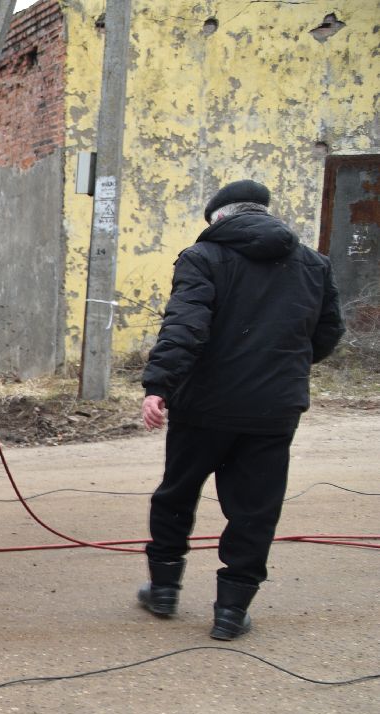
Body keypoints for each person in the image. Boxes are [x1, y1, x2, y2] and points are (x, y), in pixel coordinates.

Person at [137, 179, 344, 640]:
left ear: (218, 218)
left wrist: (158, 385)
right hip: (273, 411)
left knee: (177, 493)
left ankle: (164, 590)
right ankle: (231, 612)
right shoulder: (314, 264)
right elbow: (327, 333)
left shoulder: (202, 257)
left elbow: (185, 326)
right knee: (255, 509)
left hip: (204, 408)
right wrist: (280, 367)